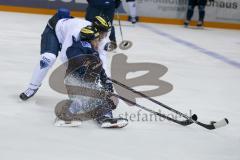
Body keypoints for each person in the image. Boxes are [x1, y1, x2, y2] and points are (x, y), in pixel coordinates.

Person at [19, 8, 111, 101]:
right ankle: (32, 87)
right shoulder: (77, 31)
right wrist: (82, 75)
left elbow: (101, 59)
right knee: (48, 58)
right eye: (103, 32)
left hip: (66, 32)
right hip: (54, 31)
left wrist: (105, 78)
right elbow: (66, 55)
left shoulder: (101, 39)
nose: (104, 36)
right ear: (95, 28)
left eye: (106, 32)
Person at [54, 26, 128, 128]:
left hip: (87, 83)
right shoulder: (79, 46)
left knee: (102, 98)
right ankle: (64, 115)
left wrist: (106, 81)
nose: (98, 43)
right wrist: (86, 63)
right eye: (97, 40)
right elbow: (72, 55)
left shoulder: (93, 51)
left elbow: (99, 69)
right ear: (90, 40)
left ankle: (105, 118)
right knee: (83, 97)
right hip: (74, 82)